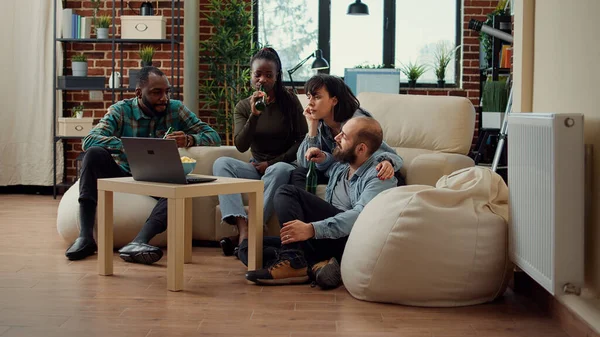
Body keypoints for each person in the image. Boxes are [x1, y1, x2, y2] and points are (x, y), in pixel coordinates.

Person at [65, 66, 221, 263]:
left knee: (180, 188)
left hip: (159, 176)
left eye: (167, 91)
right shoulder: (121, 110)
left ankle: (138, 242)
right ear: (139, 93)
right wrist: (128, 146)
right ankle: (86, 237)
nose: (164, 98)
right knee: (94, 154)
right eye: (156, 93)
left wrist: (189, 139)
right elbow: (89, 140)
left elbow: (214, 136)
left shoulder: (175, 108)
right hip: (122, 172)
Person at [246, 116, 397, 289]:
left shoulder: (379, 177)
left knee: (287, 192)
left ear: (361, 149)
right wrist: (323, 157)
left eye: (344, 137)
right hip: (327, 237)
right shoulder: (344, 166)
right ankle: (312, 266)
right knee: (248, 247)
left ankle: (297, 262)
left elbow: (359, 217)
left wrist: (312, 229)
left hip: (349, 239)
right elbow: (324, 163)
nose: (336, 138)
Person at [212, 47, 308, 257]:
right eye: (258, 74)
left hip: (283, 166)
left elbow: (303, 138)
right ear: (251, 75)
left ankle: (252, 230)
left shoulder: (290, 101)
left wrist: (272, 162)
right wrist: (254, 115)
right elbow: (241, 145)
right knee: (221, 164)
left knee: (280, 169)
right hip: (256, 167)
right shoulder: (243, 107)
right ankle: (243, 227)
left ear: (277, 77)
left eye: (268, 75)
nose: (262, 79)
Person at [290, 73, 404, 189]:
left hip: (368, 174)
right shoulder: (321, 122)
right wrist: (312, 126)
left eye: (317, 97)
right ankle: (305, 204)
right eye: (309, 97)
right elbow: (304, 163)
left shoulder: (356, 121)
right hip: (339, 171)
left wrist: (387, 162)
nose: (310, 103)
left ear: (334, 100)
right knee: (299, 173)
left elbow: (390, 156)